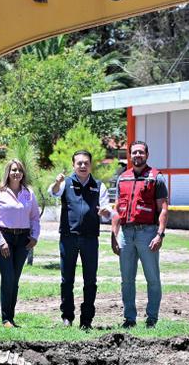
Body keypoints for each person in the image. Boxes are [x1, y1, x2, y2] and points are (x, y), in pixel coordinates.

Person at [49, 150, 111, 329]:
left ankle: (86, 320)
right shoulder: (65, 183)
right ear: (73, 165)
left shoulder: (99, 186)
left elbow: (107, 211)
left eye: (86, 163)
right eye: (79, 163)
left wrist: (105, 212)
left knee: (90, 281)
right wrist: (56, 183)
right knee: (66, 279)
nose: (83, 166)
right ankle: (67, 317)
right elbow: (53, 193)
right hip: (68, 238)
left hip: (90, 239)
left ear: (91, 165)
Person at [111, 140, 168, 328]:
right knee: (126, 279)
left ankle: (151, 318)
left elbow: (163, 209)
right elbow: (118, 209)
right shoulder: (123, 178)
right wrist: (114, 235)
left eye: (141, 152)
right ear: (129, 155)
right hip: (126, 235)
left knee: (152, 278)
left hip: (148, 233)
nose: (137, 155)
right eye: (134, 152)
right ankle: (129, 319)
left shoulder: (156, 178)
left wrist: (160, 234)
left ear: (147, 155)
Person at [0, 159, 41, 328]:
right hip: (4, 238)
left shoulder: (28, 193)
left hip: (22, 239)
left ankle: (11, 317)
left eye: (19, 170)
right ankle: (5, 318)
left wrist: (34, 237)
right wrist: (1, 241)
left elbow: (35, 217)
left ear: (23, 173)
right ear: (8, 173)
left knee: (15, 278)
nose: (16, 173)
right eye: (13, 170)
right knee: (8, 276)